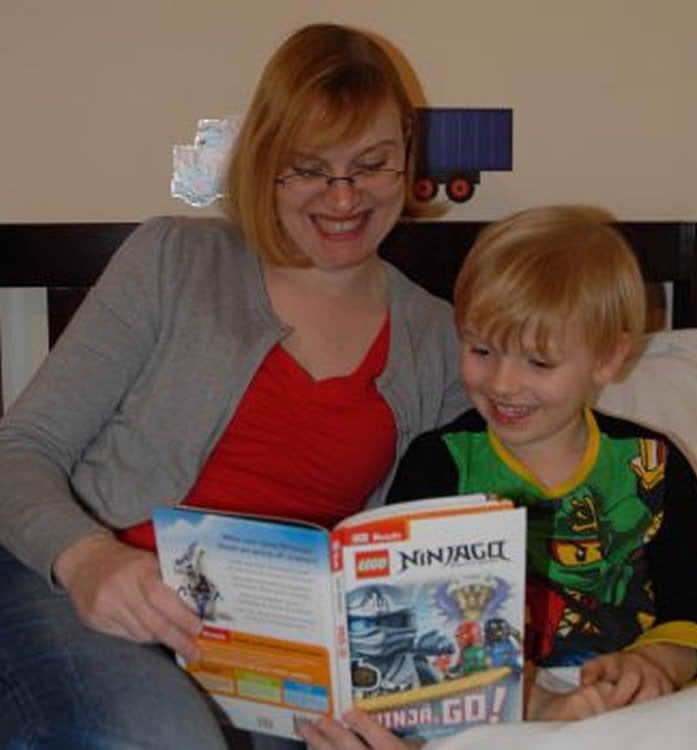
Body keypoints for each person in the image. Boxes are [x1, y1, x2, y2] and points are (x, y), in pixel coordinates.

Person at [0, 23, 468, 750]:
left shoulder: (439, 339)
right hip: (78, 587)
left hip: (273, 647)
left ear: (406, 153)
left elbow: (434, 557)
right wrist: (86, 558)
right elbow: (21, 447)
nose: (342, 197)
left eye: (370, 164)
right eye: (308, 168)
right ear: (265, 162)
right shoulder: (173, 260)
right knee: (162, 735)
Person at [299, 206, 697, 749]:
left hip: (622, 702)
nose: (502, 383)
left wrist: (656, 660)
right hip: (480, 705)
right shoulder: (442, 462)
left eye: (538, 363)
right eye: (481, 350)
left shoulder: (653, 466)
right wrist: (534, 702)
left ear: (608, 358)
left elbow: (696, 601)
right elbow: (417, 634)